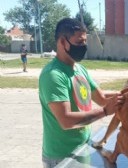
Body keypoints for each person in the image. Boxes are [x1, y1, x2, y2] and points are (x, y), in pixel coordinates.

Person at [39, 18, 122, 168]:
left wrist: (125, 94)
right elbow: (66, 120)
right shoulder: (53, 75)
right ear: (63, 42)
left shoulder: (80, 69)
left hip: (82, 148)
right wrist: (104, 112)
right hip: (61, 157)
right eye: (79, 42)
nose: (83, 46)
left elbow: (102, 98)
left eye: (84, 42)